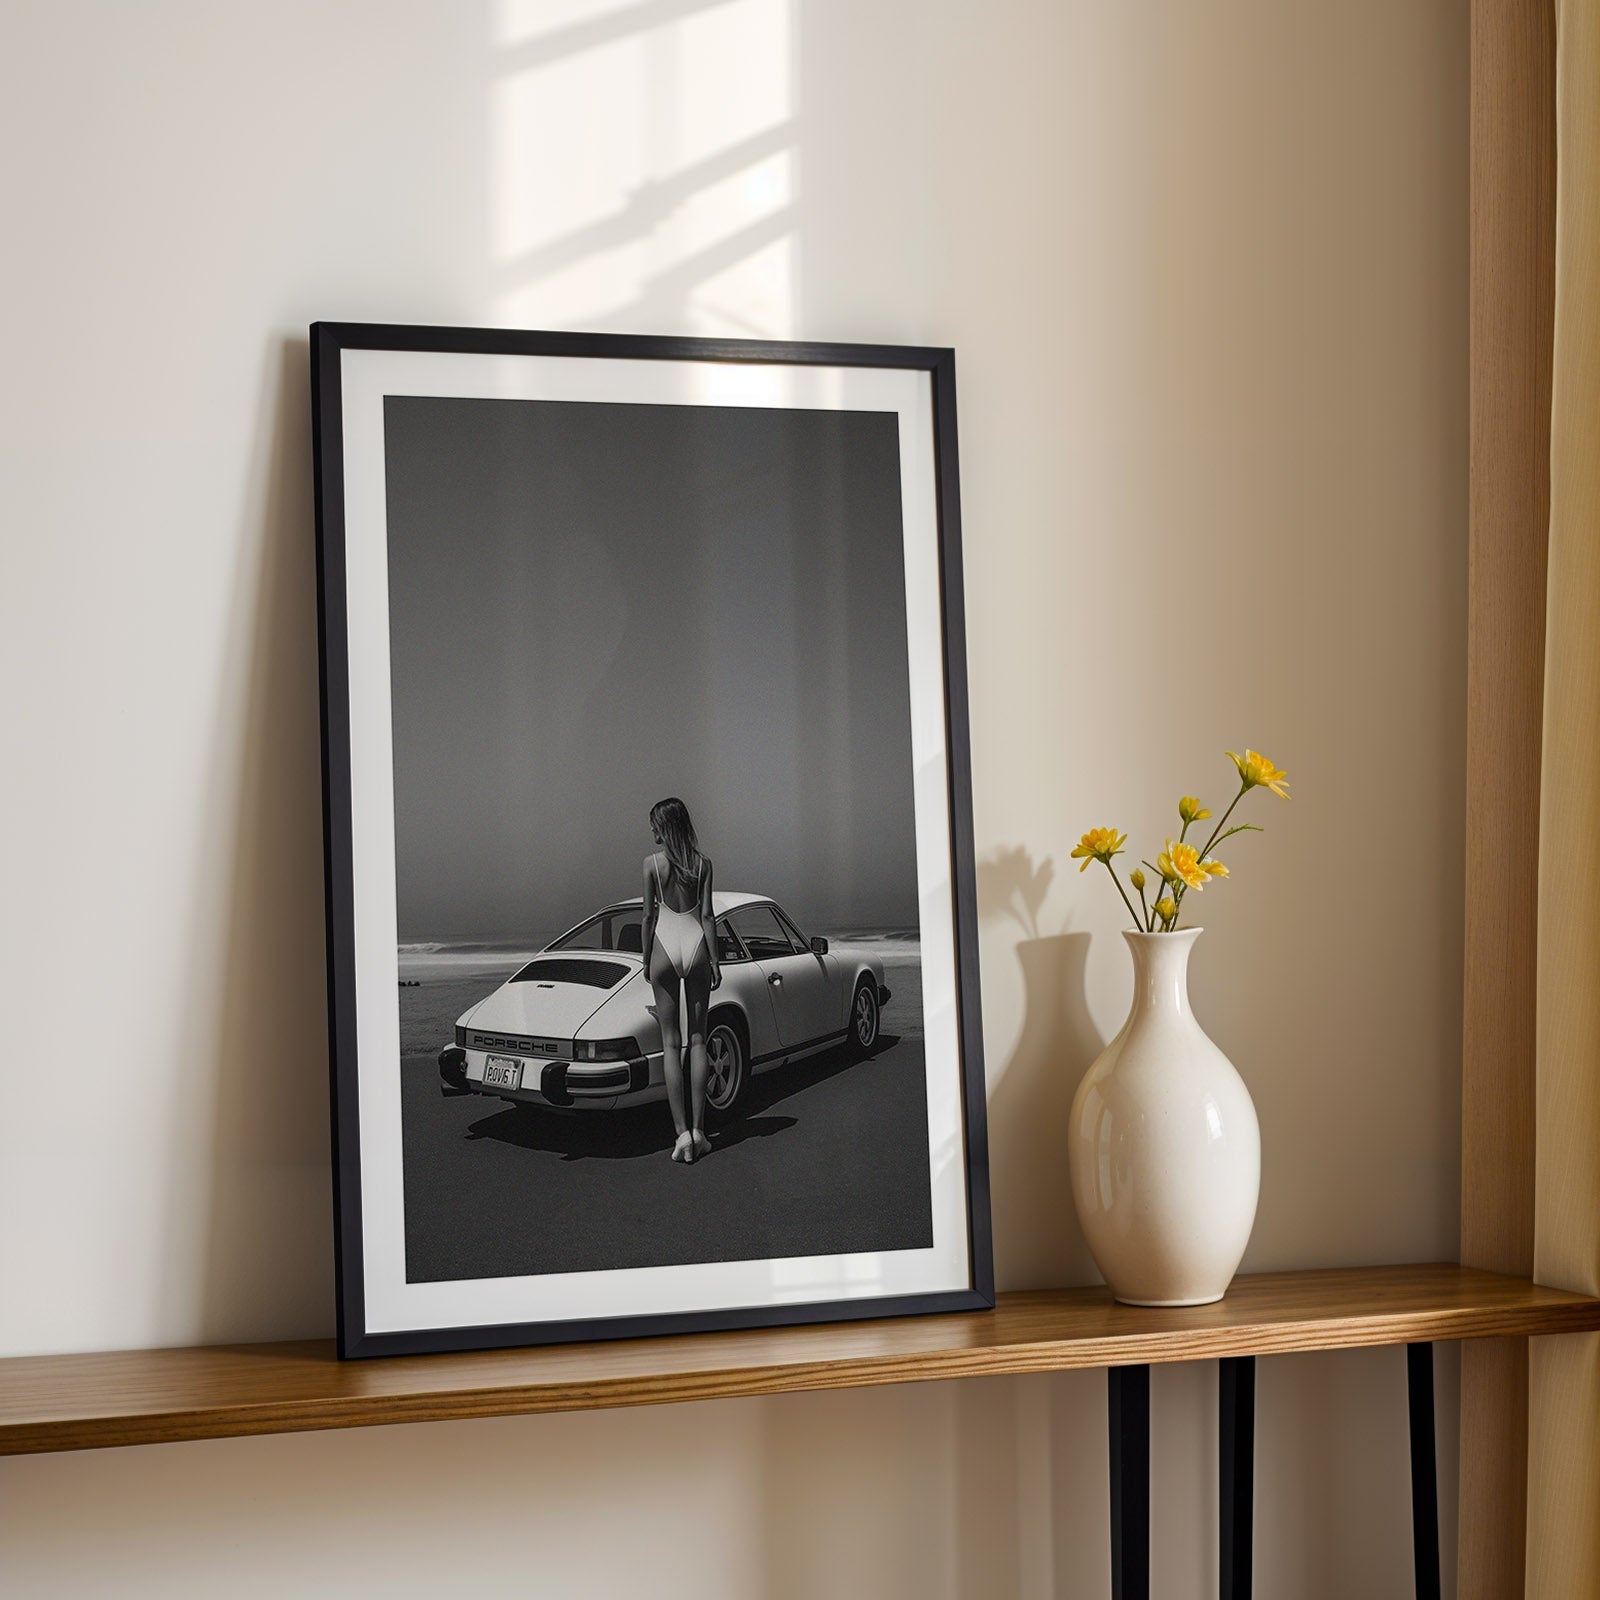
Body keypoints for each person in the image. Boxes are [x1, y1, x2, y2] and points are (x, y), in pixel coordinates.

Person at [641, 797, 720, 1162]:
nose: (652, 831)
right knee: (699, 1039)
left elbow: (647, 918)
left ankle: (681, 1136)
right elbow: (707, 916)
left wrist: (646, 959)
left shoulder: (652, 866)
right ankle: (701, 1132)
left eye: (655, 825)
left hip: (664, 948)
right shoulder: (703, 865)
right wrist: (716, 961)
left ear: (665, 827)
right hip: (697, 946)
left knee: (670, 1044)